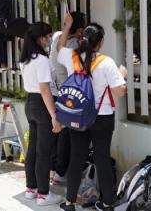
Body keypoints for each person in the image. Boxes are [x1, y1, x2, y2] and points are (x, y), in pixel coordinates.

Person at [58, 14, 127, 211]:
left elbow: (58, 47)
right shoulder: (106, 62)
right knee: (102, 158)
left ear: (83, 39)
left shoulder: (71, 57)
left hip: (78, 115)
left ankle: (70, 202)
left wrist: (67, 26)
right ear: (101, 42)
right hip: (102, 117)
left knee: (77, 158)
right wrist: (122, 76)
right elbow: (119, 92)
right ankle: (106, 204)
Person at [19, 23, 63, 206]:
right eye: (48, 37)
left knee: (33, 150)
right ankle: (43, 194)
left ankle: (32, 188)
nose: (49, 40)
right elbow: (45, 88)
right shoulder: (42, 60)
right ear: (41, 38)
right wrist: (54, 115)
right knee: (44, 151)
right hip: (43, 104)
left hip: (30, 103)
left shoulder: (26, 59)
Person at [49, 11, 86, 184]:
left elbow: (59, 48)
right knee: (66, 136)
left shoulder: (58, 39)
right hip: (68, 94)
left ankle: (53, 169)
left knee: (56, 133)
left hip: (55, 91)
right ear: (79, 30)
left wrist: (67, 26)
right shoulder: (74, 45)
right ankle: (60, 172)